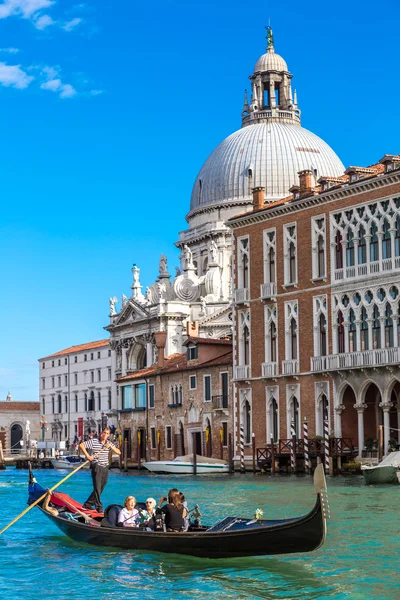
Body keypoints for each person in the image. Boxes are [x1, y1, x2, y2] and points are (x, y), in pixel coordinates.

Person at [79, 427, 121, 513]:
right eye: (104, 433)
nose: (105, 435)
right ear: (101, 433)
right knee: (97, 487)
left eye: (107, 433)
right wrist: (88, 456)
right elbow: (81, 445)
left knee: (101, 487)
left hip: (105, 467)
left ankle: (88, 504)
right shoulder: (94, 441)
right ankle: (98, 506)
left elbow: (118, 452)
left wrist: (111, 447)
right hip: (96, 466)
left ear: (109, 435)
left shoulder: (109, 443)